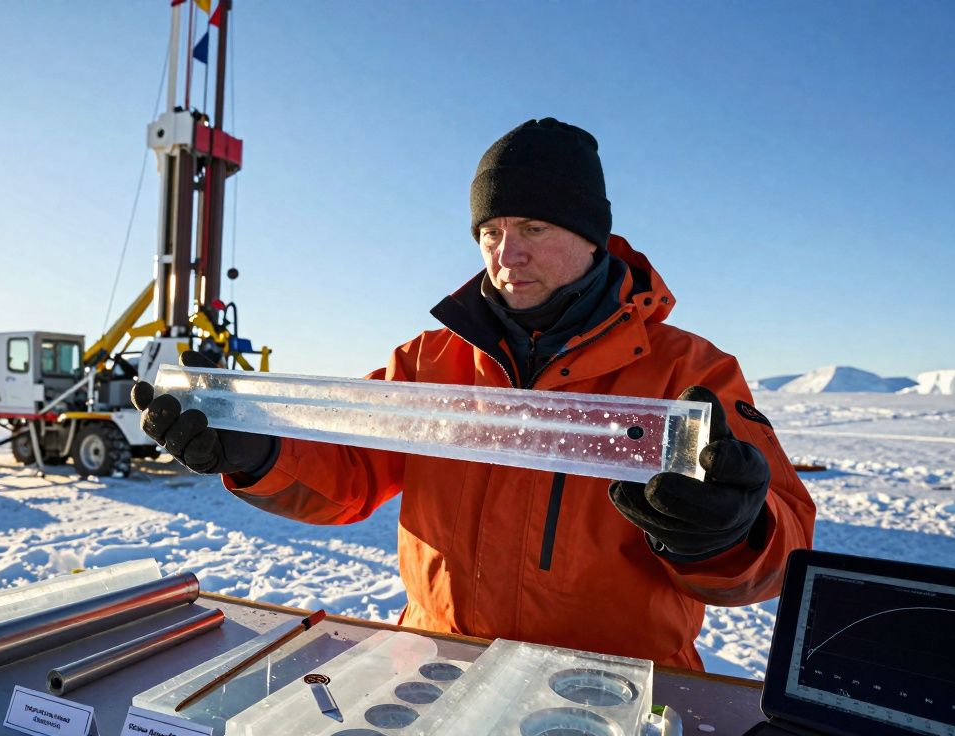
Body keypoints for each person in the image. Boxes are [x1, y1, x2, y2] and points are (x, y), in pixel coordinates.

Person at [131, 118, 815, 669]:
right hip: (438, 670)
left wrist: (728, 531)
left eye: (534, 229)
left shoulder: (690, 372)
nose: (505, 254)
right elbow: (350, 476)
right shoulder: (429, 362)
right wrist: (261, 451)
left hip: (610, 693)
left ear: (592, 236)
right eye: (491, 231)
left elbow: (782, 555)